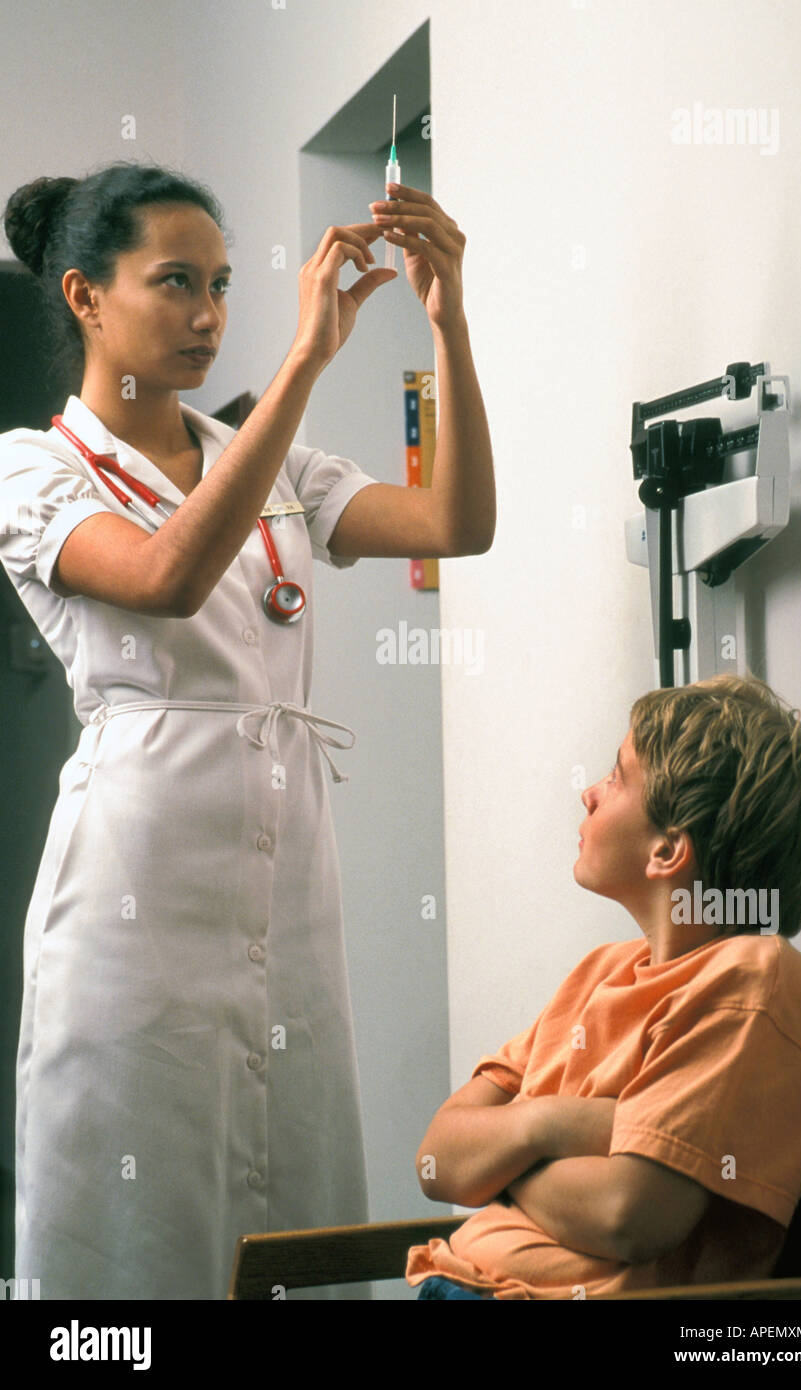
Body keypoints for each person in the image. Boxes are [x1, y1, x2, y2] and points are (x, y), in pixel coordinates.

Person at [0, 159, 495, 1300]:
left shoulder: (262, 458)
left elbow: (454, 521)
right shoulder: (38, 468)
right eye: (174, 282)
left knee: (294, 1170)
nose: (209, 315)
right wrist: (307, 359)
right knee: (136, 1196)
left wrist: (448, 323)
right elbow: (169, 576)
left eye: (220, 284)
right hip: (136, 874)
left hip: (285, 868)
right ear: (85, 296)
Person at [407, 674, 801, 1299]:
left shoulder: (753, 984)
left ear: (669, 851)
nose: (590, 794)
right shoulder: (600, 972)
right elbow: (437, 1159)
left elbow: (628, 1217)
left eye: (617, 778)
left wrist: (509, 1155)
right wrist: (562, 1124)